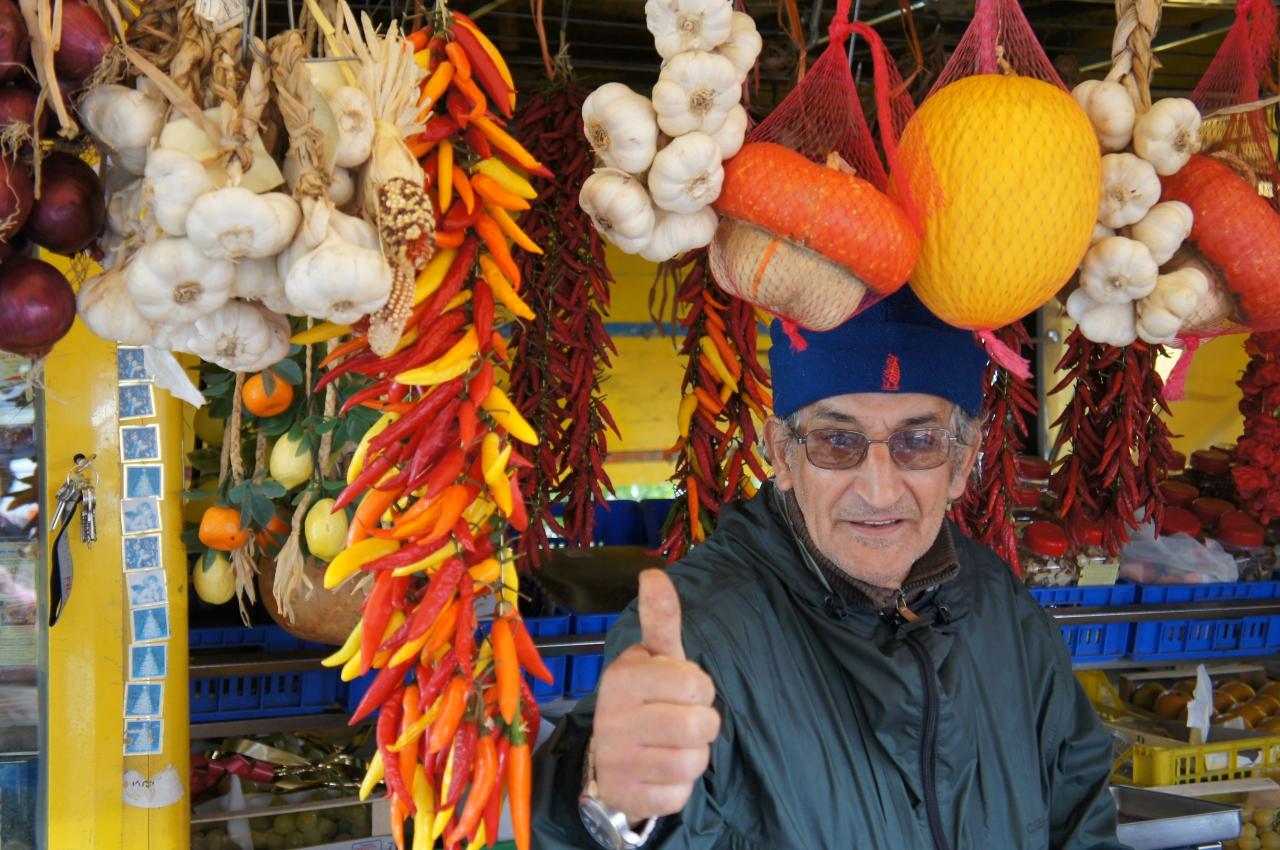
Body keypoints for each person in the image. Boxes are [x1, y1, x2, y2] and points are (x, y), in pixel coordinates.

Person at [531, 289, 1124, 850]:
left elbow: (1082, 822)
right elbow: (607, 813)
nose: (879, 489)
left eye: (918, 441)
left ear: (963, 461)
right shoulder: (695, 637)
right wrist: (613, 808)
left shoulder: (1004, 609)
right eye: (837, 442)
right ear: (783, 456)